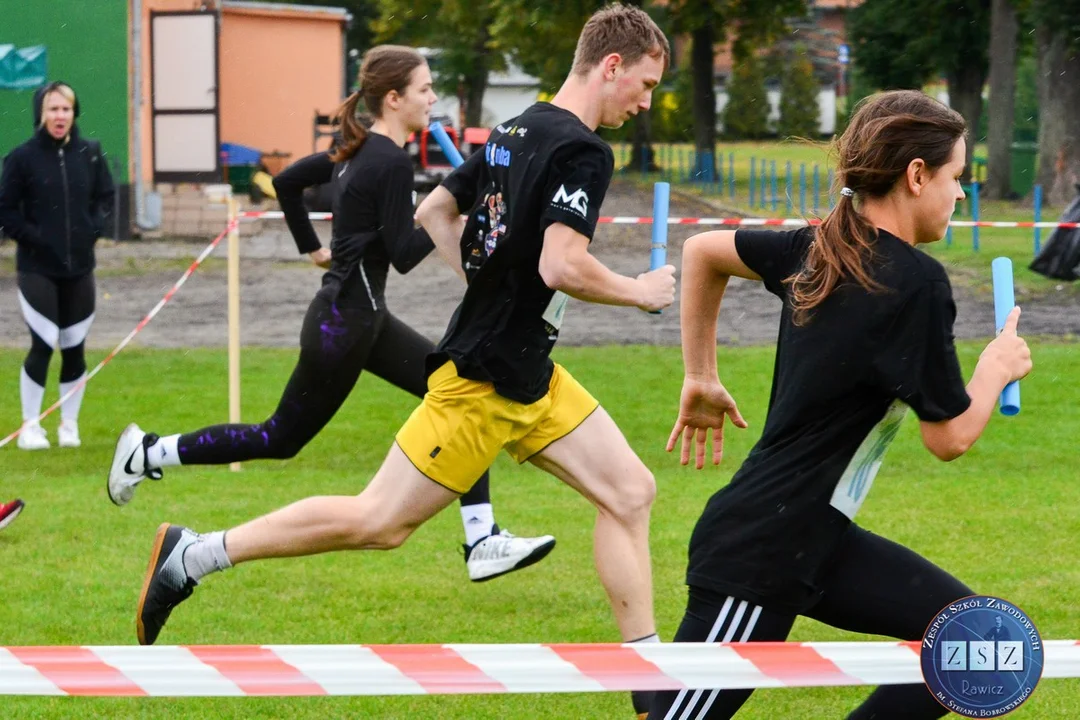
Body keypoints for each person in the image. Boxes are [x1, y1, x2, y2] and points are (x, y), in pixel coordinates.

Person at [132, 3, 674, 670]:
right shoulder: (584, 150)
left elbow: (435, 211)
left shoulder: (511, 129)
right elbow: (561, 265)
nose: (647, 102)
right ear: (613, 65)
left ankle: (652, 676)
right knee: (378, 522)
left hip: (532, 378)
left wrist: (481, 277)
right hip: (482, 385)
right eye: (647, 84)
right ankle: (194, 555)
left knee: (630, 492)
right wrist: (639, 290)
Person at [647, 89, 1032, 720]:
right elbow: (949, 437)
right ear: (916, 176)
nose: (960, 195)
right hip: (762, 549)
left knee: (983, 646)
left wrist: (701, 374)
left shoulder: (820, 244)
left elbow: (703, 250)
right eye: (956, 178)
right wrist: (996, 367)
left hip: (818, 539)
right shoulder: (914, 282)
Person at [108, 45, 555, 584]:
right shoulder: (385, 158)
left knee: (458, 390)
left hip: (359, 318)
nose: (433, 97)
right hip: (343, 327)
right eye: (424, 89)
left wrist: (313, 247)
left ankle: (482, 537)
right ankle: (149, 451)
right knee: (279, 437)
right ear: (393, 98)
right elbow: (405, 254)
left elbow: (288, 183)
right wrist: (454, 204)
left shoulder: (358, 147)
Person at [0, 81, 115, 450]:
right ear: (40, 114)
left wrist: (93, 228)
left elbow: (106, 197)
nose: (59, 116)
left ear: (74, 113)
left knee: (75, 346)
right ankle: (30, 426)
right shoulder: (21, 158)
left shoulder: (91, 153)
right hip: (37, 268)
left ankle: (69, 425)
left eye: (65, 109)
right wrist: (34, 237)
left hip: (80, 267)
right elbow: (5, 210)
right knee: (44, 343)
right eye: (52, 109)